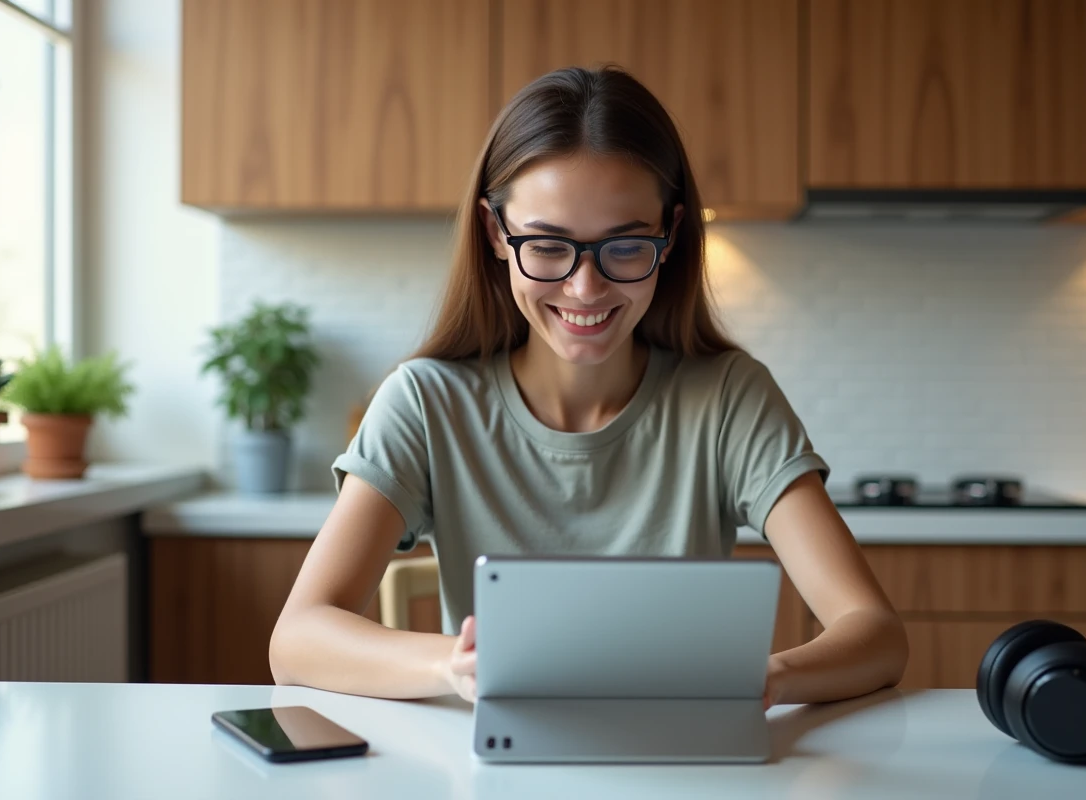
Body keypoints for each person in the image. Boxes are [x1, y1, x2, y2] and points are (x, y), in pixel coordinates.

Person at [270, 66, 908, 707]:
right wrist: (454, 667)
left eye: (625, 247)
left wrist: (763, 678)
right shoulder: (426, 402)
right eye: (548, 246)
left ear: (669, 236)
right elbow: (297, 639)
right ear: (496, 233)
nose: (585, 288)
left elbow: (875, 632)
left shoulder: (727, 399)